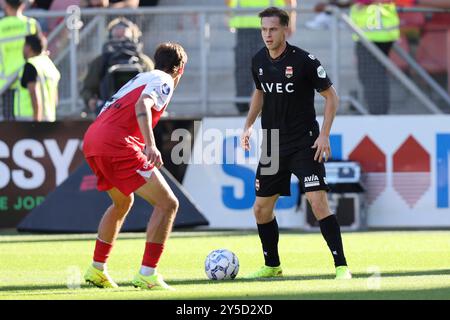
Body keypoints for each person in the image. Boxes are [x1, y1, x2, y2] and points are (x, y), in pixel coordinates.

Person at [241, 7, 352, 280]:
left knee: (318, 203)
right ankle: (272, 265)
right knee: (261, 209)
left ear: (285, 30)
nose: (267, 35)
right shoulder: (258, 60)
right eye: (264, 30)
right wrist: (248, 124)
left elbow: (332, 97)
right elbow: (260, 92)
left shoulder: (305, 61)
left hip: (304, 143)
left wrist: (324, 134)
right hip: (273, 144)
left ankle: (341, 267)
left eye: (273, 29)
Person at [82, 42, 187, 290]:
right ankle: (147, 274)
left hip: (93, 139)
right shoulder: (165, 80)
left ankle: (96, 268)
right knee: (168, 203)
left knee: (122, 202)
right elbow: (143, 105)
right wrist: (150, 145)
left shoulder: (142, 77)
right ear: (180, 69)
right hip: (115, 143)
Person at [225, 0, 297, 114]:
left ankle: (265, 103)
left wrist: (228, 15)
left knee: (265, 67)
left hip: (255, 25)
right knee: (259, 67)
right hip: (257, 26)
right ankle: (247, 105)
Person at [81, 17, 154, 115]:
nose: (120, 42)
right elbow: (87, 88)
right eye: (117, 37)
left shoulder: (144, 62)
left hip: (137, 111)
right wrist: (91, 100)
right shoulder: (100, 62)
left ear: (133, 38)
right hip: (108, 111)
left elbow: (154, 88)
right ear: (110, 38)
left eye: (124, 38)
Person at [0, 0, 41, 121]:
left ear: (5, 4)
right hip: (27, 80)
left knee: (8, 130)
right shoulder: (31, 24)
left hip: (5, 84)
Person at [19, 34, 60, 121]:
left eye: (24, 46)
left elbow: (34, 93)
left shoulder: (31, 64)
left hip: (31, 121)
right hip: (49, 119)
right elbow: (55, 99)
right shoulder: (49, 64)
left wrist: (36, 122)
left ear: (29, 47)